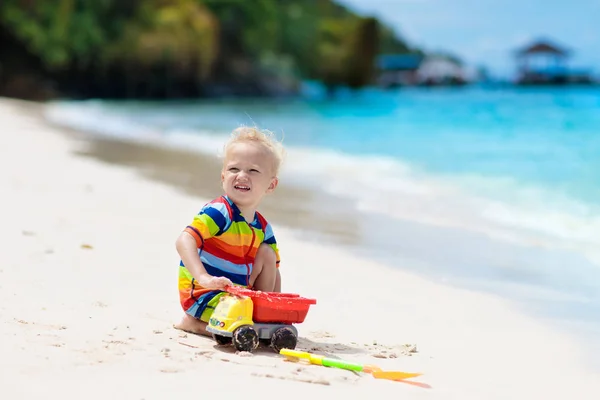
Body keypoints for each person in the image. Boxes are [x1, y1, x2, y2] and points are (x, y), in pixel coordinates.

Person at [174, 126, 284, 336]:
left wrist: (275, 307)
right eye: (234, 169)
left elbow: (273, 271)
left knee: (268, 253)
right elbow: (184, 240)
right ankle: (193, 322)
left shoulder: (262, 226)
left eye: (253, 170)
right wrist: (204, 277)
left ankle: (261, 317)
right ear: (223, 176)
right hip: (203, 292)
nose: (241, 176)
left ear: (271, 185)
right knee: (237, 317)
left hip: (236, 294)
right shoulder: (220, 212)